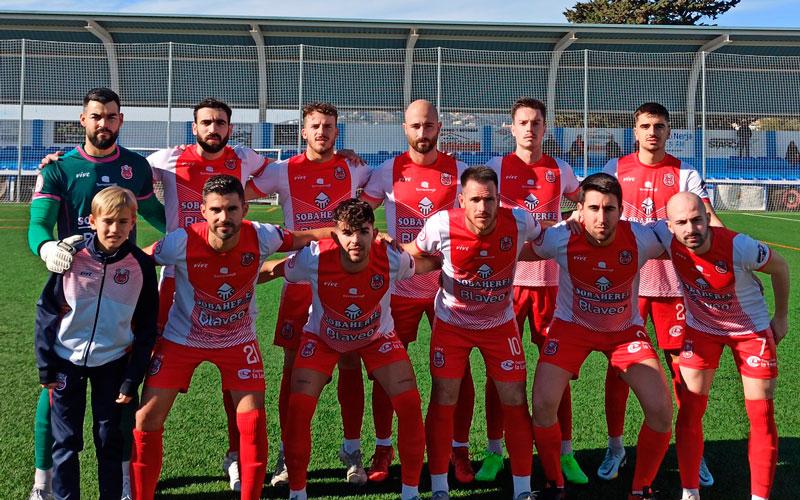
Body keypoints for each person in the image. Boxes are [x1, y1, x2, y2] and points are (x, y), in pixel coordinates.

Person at [129, 175, 333, 500]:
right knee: (146, 417)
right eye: (216, 210)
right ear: (203, 212)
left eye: (232, 209)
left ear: (245, 209)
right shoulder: (180, 241)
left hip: (238, 342)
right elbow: (135, 258)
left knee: (252, 424)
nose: (224, 218)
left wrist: (367, 236)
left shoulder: (262, 235)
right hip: (183, 339)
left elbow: (306, 237)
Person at [27, 87, 165, 500]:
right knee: (52, 393)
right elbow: (39, 224)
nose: (103, 123)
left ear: (120, 121)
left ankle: (122, 484)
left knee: (119, 401)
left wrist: (190, 237)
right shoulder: (58, 167)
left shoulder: (136, 166)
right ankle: (43, 484)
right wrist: (46, 247)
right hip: (75, 281)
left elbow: (160, 215)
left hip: (124, 283)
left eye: (111, 116)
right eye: (96, 116)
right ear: (82, 120)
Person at [261, 199, 436, 500]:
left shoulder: (391, 258)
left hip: (376, 339)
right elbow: (274, 270)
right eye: (348, 232)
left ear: (374, 232)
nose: (355, 240)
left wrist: (450, 261)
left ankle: (410, 491)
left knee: (409, 404)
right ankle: (298, 493)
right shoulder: (314, 257)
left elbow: (423, 265)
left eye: (363, 232)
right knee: (299, 408)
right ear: (335, 235)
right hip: (322, 339)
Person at [146, 97, 270, 491]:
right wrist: (57, 160)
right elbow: (121, 171)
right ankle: (137, 469)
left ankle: (237, 457)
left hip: (230, 272)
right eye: (206, 122)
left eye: (220, 122)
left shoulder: (246, 158)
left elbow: (289, 171)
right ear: (194, 126)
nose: (213, 128)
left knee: (236, 383)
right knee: (150, 374)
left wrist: (342, 156)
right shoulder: (166, 158)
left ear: (229, 128)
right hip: (177, 279)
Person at [524, 173, 673, 500]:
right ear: (579, 209)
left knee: (662, 411)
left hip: (623, 333)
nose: (601, 217)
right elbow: (515, 248)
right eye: (593, 208)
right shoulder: (562, 236)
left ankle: (641, 488)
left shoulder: (641, 237)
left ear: (621, 210)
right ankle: (554, 484)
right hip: (571, 328)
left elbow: (694, 236)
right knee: (543, 403)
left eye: (609, 209)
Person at [249, 102, 372, 487]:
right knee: (292, 371)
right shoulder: (282, 171)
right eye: (315, 126)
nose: (322, 132)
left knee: (350, 364)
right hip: (300, 285)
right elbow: (239, 191)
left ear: (338, 132)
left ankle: (352, 451)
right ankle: (287, 454)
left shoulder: (354, 169)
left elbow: (386, 186)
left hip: (345, 281)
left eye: (329, 126)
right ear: (303, 132)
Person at [600, 102, 722, 486]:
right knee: (618, 369)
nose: (653, 132)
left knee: (683, 372)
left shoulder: (685, 173)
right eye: (646, 126)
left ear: (670, 132)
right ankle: (616, 446)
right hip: (627, 287)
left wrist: (730, 249)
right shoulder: (614, 171)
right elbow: (591, 214)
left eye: (660, 126)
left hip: (673, 289)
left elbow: (708, 220)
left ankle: (691, 449)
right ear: (634, 132)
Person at [403, 166, 543, 500]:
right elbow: (416, 252)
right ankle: (439, 487)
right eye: (476, 200)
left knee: (515, 400)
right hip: (452, 325)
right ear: (461, 200)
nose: (483, 207)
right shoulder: (440, 224)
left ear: (499, 200)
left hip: (499, 325)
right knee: (444, 398)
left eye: (490, 199)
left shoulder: (520, 220)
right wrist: (378, 248)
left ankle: (523, 489)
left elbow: (546, 237)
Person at [359, 99, 475, 484]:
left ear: (439, 127)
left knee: (459, 372)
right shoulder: (386, 171)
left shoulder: (459, 172)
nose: (422, 134)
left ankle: (460, 449)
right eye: (415, 126)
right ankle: (382, 445)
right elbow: (357, 216)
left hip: (448, 285)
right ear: (404, 129)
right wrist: (377, 234)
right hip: (400, 287)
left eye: (428, 126)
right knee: (384, 370)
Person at [656, 192, 788, 500]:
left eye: (697, 220)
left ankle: (760, 496)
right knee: (690, 410)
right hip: (701, 331)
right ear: (669, 226)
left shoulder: (738, 246)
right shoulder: (665, 240)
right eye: (682, 223)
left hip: (750, 332)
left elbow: (780, 267)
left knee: (761, 415)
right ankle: (690, 492)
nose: (691, 229)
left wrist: (781, 317)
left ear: (707, 217)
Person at [483, 98, 585, 484]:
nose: (529, 128)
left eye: (536, 122)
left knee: (556, 372)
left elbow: (587, 199)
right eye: (522, 122)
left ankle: (566, 451)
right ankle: (494, 451)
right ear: (511, 128)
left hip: (552, 286)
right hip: (505, 285)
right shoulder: (495, 168)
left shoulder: (560, 169)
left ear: (546, 129)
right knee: (499, 373)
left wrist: (580, 213)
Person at [35, 186, 158, 500]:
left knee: (108, 441)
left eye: (122, 222)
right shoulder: (73, 258)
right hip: (65, 361)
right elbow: (46, 310)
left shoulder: (141, 266)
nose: (114, 229)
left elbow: (146, 328)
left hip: (113, 364)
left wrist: (133, 378)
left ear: (133, 223)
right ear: (91, 220)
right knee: (65, 442)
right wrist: (46, 364)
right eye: (107, 221)